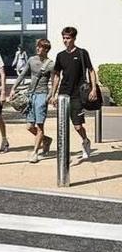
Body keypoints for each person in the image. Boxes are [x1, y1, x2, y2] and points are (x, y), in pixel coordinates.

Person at [50, 26, 101, 161]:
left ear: (74, 38)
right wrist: (53, 94)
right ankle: (63, 154)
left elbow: (91, 71)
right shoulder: (60, 56)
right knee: (62, 125)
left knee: (77, 125)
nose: (65, 41)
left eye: (68, 38)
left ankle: (85, 140)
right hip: (63, 94)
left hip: (77, 95)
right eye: (64, 38)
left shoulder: (82, 53)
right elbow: (56, 75)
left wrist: (94, 88)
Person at [9, 38, 55, 163]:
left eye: (40, 47)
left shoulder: (50, 64)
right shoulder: (31, 60)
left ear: (46, 49)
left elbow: (55, 80)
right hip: (30, 95)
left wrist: (51, 95)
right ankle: (46, 140)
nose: (37, 49)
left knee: (40, 126)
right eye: (37, 47)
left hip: (42, 95)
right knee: (29, 126)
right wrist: (13, 88)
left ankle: (35, 153)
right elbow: (22, 74)